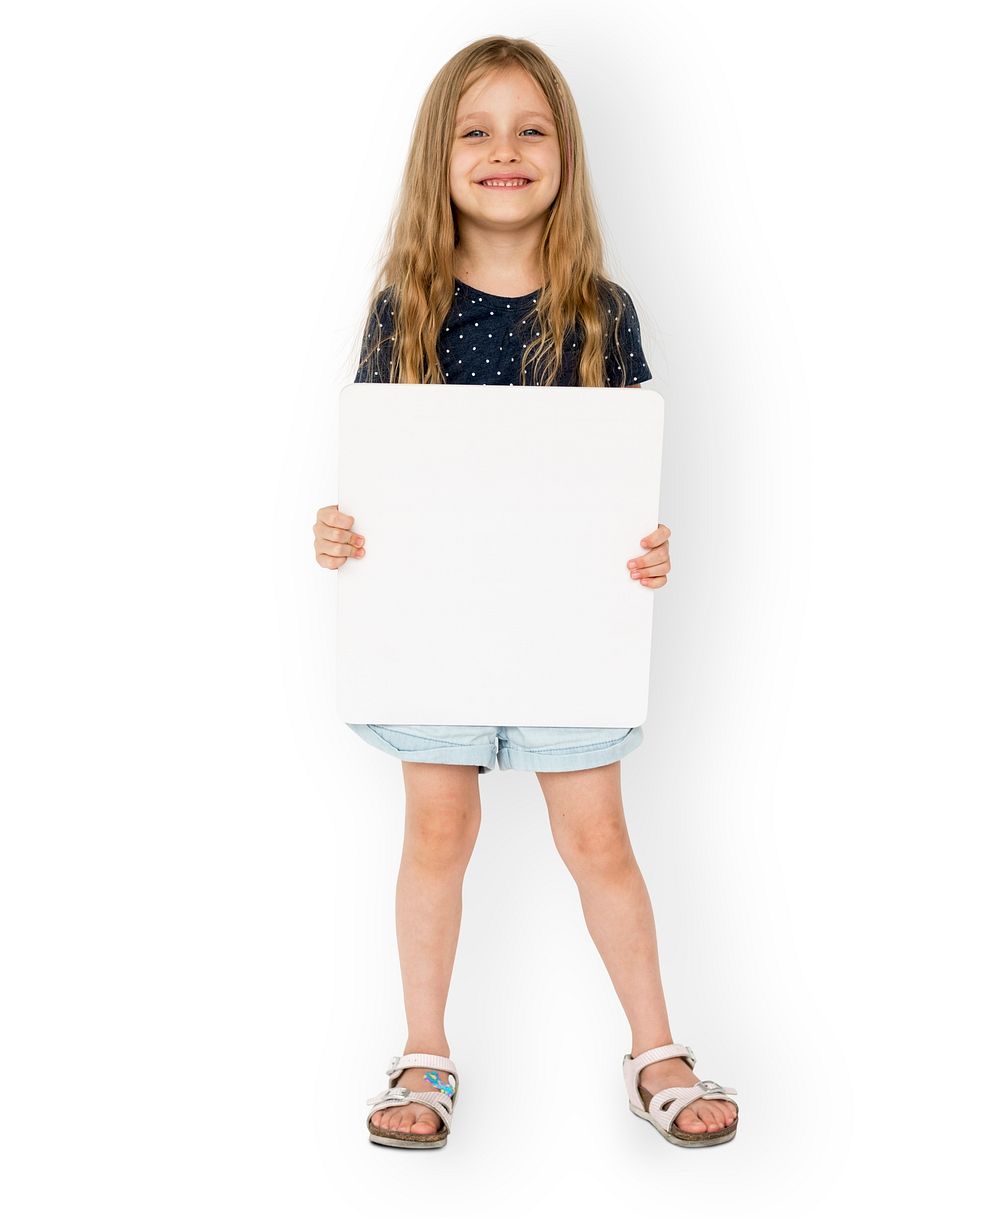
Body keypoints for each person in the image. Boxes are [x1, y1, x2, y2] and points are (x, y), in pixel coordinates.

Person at [312, 36, 738, 1150]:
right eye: (477, 129)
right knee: (436, 834)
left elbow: (621, 478)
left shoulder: (601, 310)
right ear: (438, 158)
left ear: (563, 153)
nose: (505, 150)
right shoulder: (402, 306)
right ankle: (424, 1051)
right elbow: (381, 471)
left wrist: (647, 553)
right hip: (434, 627)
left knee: (599, 841)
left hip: (566, 635)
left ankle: (656, 1049)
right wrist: (340, 529)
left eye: (530, 128)